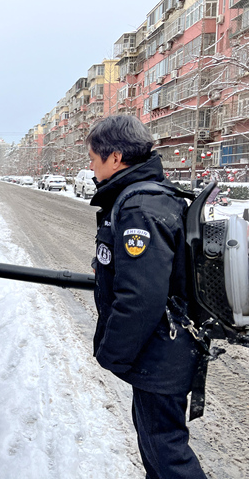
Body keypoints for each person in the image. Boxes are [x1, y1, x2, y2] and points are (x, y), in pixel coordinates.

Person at [86, 115, 206, 479]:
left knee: (166, 453)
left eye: (93, 158)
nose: (90, 165)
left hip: (161, 352)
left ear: (116, 158)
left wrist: (111, 354)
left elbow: (141, 297)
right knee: (158, 448)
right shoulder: (143, 197)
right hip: (164, 349)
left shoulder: (140, 207)